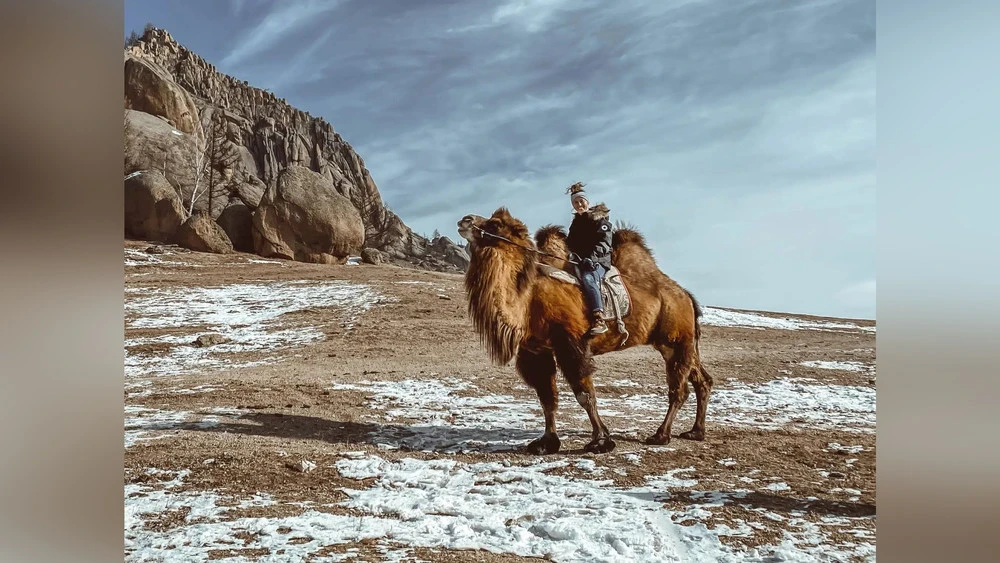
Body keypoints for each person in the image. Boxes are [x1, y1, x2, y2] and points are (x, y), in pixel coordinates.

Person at [564, 182, 613, 336]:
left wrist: (592, 258)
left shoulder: (600, 220)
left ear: (587, 201)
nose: (579, 204)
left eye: (581, 201)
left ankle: (599, 317)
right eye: (575, 202)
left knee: (588, 278)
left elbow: (605, 242)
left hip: (600, 261)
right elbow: (570, 244)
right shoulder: (574, 225)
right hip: (581, 261)